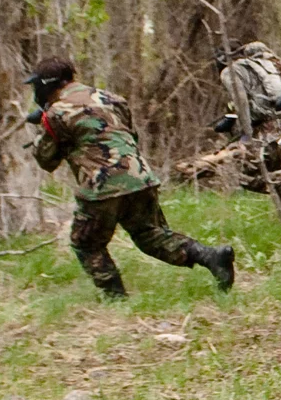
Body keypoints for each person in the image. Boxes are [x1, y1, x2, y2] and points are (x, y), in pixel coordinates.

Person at [28, 57, 237, 297]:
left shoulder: (56, 112)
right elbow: (128, 135)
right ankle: (210, 256)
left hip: (103, 185)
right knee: (151, 235)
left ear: (46, 84)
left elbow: (46, 160)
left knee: (86, 243)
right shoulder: (112, 99)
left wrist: (43, 129)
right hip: (140, 176)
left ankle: (115, 298)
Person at [215, 41, 281, 138]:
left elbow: (241, 101)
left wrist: (243, 128)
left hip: (270, 125)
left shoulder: (228, 72)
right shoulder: (258, 62)